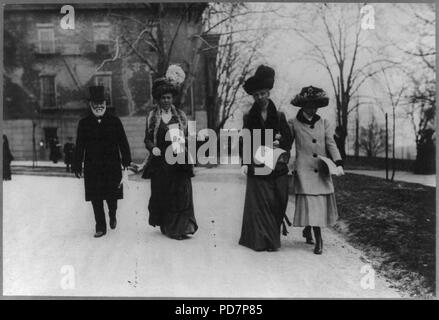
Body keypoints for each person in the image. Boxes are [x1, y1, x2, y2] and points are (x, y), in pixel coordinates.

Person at [238, 65, 293, 252]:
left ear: (268, 93)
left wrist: (281, 145)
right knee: (260, 204)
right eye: (256, 95)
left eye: (262, 93)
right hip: (257, 163)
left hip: (276, 165)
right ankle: (261, 241)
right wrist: (245, 163)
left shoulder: (279, 116)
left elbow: (288, 138)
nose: (260, 98)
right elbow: (244, 140)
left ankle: (272, 237)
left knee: (277, 201)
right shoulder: (249, 117)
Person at [142, 66, 198, 240]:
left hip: (179, 159)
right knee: (164, 193)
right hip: (161, 162)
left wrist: (188, 142)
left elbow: (189, 137)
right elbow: (147, 139)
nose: (166, 100)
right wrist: (153, 148)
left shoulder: (181, 116)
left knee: (182, 193)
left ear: (173, 98)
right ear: (158, 99)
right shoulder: (152, 117)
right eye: (163, 98)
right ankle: (168, 226)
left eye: (169, 97)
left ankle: (183, 227)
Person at [289, 86, 344, 255]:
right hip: (304, 170)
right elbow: (286, 143)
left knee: (317, 206)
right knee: (311, 205)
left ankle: (308, 229)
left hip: (321, 170)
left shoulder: (324, 123)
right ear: (302, 106)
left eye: (315, 106)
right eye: (308, 105)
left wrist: (338, 163)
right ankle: (319, 239)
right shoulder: (293, 123)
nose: (312, 109)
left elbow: (330, 144)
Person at [72, 86, 132, 238]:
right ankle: (100, 226)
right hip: (93, 167)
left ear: (106, 103)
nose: (99, 106)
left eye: (101, 103)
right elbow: (79, 146)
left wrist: (126, 160)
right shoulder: (84, 123)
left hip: (112, 166)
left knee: (112, 197)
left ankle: (112, 214)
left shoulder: (114, 121)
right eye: (95, 103)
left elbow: (123, 142)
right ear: (90, 104)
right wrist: (77, 165)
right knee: (95, 198)